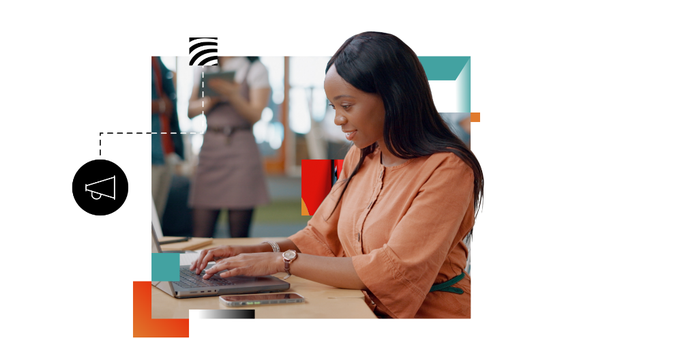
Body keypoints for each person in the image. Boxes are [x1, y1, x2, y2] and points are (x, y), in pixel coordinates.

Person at [191, 32, 484, 318]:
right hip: (358, 304)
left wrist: (281, 261)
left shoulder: (449, 169)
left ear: (393, 96)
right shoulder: (361, 154)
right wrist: (252, 252)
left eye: (346, 105)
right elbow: (319, 236)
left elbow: (394, 270)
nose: (337, 119)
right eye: (334, 107)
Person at [187, 56, 271, 238]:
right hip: (210, 149)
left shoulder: (255, 68)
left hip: (242, 151)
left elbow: (256, 115)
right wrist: (212, 100)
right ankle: (194, 268)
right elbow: (190, 111)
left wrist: (233, 95)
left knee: (239, 235)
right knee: (200, 233)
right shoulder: (204, 68)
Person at [152, 56, 185, 220]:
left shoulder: (158, 61)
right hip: (151, 152)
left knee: (156, 222)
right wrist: (161, 105)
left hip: (165, 150)